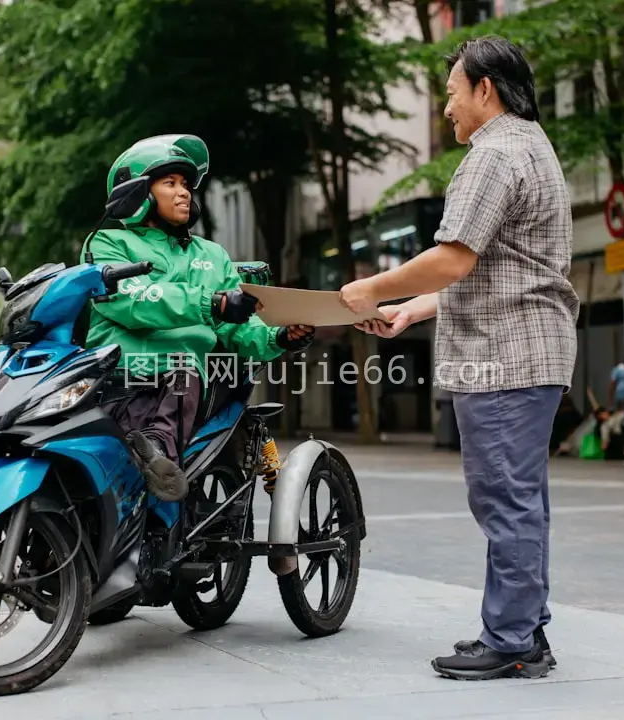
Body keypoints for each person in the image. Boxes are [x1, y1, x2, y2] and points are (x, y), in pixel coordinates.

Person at [345, 37, 579, 680]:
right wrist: (415, 309)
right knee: (522, 498)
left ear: (485, 90)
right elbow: (501, 270)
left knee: (504, 498)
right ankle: (525, 630)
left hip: (503, 356)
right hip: (533, 348)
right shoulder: (535, 148)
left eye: (452, 93)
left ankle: (509, 639)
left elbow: (456, 257)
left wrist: (368, 288)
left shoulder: (494, 153)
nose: (447, 108)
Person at [83, 134, 314, 502]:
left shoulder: (213, 255)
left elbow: (238, 329)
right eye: (170, 183)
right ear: (138, 193)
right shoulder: (108, 244)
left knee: (183, 370)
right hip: (117, 375)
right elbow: (132, 300)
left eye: (186, 185)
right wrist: (213, 302)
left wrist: (280, 338)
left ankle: (157, 453)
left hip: (181, 377)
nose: (184, 193)